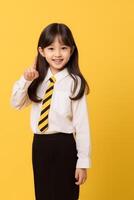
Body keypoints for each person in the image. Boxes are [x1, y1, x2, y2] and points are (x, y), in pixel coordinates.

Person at [10, 22, 92, 200]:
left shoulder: (74, 82)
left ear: (71, 50)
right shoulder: (35, 79)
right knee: (44, 194)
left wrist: (82, 162)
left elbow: (82, 124)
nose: (57, 54)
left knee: (66, 194)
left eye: (63, 48)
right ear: (41, 51)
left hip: (65, 146)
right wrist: (25, 80)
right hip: (40, 146)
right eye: (51, 48)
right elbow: (16, 104)